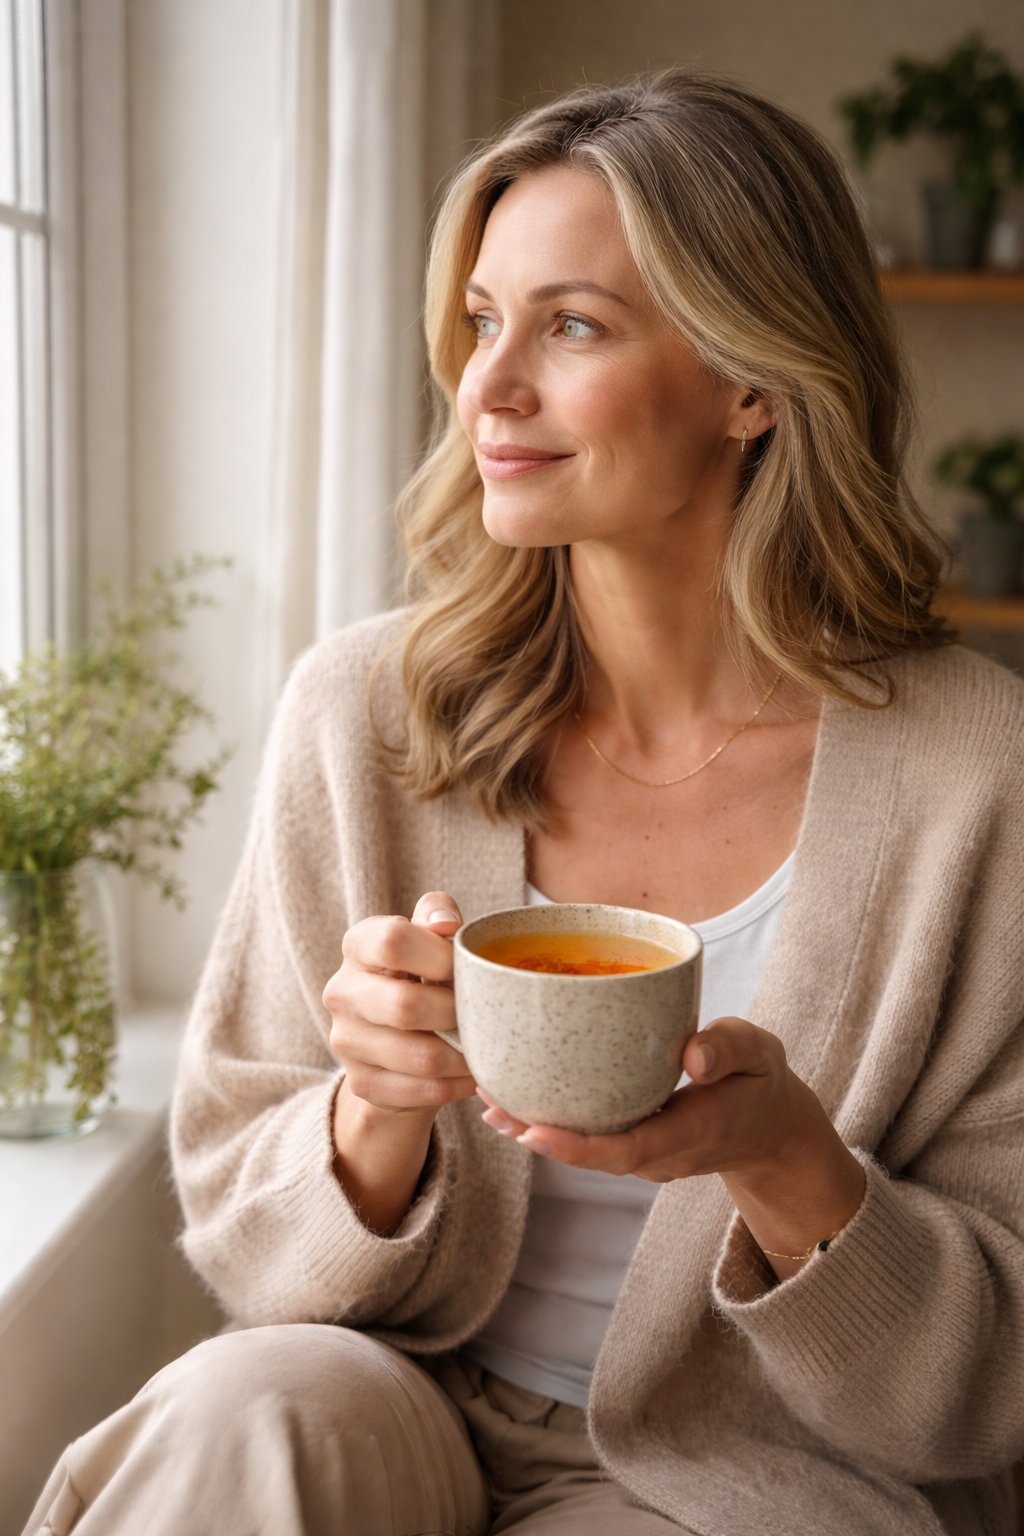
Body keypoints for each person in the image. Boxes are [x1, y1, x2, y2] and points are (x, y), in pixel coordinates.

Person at [23, 69, 1024, 1536]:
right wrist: (373, 1109)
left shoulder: (981, 778)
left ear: (753, 383)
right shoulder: (364, 714)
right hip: (394, 1386)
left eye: (571, 326)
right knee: (237, 1420)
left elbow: (993, 1378)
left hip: (755, 1469)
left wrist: (788, 1162)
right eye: (484, 320)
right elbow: (249, 1235)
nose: (486, 386)